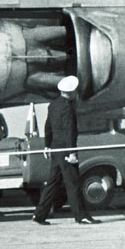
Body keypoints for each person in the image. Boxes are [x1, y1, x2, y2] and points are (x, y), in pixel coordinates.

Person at [32, 76, 100, 225]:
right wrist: (72, 153)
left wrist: (47, 145)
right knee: (73, 183)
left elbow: (48, 126)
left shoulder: (53, 105)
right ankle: (81, 215)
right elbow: (69, 131)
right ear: (71, 92)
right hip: (65, 150)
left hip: (56, 149)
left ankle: (39, 215)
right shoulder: (67, 108)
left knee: (52, 183)